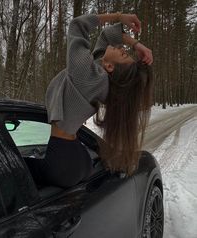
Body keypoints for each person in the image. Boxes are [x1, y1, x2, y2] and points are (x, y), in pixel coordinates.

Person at [42, 12, 153, 188]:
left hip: (62, 157)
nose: (123, 48)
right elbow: (106, 35)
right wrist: (136, 44)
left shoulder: (90, 76)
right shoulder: (98, 75)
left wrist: (118, 16)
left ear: (109, 67)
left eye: (124, 55)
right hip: (72, 151)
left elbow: (77, 25)